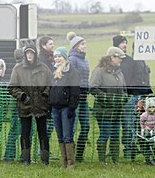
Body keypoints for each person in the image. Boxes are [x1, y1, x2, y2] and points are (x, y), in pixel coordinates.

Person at [9, 45, 52, 165]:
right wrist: (22, 96)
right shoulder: (18, 69)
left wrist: (45, 95)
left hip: (41, 106)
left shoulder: (44, 68)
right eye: (27, 53)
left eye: (31, 53)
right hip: (25, 105)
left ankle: (45, 160)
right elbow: (12, 87)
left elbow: (50, 84)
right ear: (24, 54)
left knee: (43, 133)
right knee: (25, 133)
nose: (29, 55)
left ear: (35, 54)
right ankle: (25, 159)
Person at [113, 34, 153, 159]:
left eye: (126, 42)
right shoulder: (115, 61)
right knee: (119, 124)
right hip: (119, 96)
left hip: (131, 96)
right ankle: (119, 149)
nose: (124, 45)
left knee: (130, 124)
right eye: (122, 42)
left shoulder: (132, 60)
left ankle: (130, 149)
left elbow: (138, 77)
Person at [89, 46, 128, 164]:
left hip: (117, 111)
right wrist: (108, 99)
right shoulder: (99, 71)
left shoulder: (120, 73)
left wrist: (124, 98)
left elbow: (124, 90)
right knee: (105, 134)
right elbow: (93, 88)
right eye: (119, 58)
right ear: (112, 57)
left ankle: (115, 161)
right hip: (104, 111)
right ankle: (102, 161)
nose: (121, 60)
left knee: (115, 135)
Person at [48, 47, 81, 169]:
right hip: (55, 107)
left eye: (59, 56)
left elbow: (75, 91)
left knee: (67, 135)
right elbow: (51, 89)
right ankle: (64, 162)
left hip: (66, 108)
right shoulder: (54, 71)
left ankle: (70, 163)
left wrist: (72, 107)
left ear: (65, 57)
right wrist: (49, 105)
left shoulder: (72, 71)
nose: (57, 59)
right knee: (60, 135)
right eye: (56, 56)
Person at [67, 32, 91, 162]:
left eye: (84, 44)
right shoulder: (72, 59)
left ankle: (79, 154)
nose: (84, 46)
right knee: (72, 127)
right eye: (82, 44)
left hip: (84, 97)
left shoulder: (85, 60)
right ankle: (70, 155)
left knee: (86, 126)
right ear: (76, 46)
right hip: (75, 97)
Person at [3, 48, 25, 162]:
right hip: (19, 104)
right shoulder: (19, 68)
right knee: (18, 131)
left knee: (17, 131)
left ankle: (12, 156)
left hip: (19, 104)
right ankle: (12, 156)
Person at [138, 97, 155, 165]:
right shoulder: (144, 115)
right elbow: (142, 123)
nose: (151, 109)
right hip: (147, 128)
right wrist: (143, 129)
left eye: (153, 107)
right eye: (150, 107)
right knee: (146, 133)